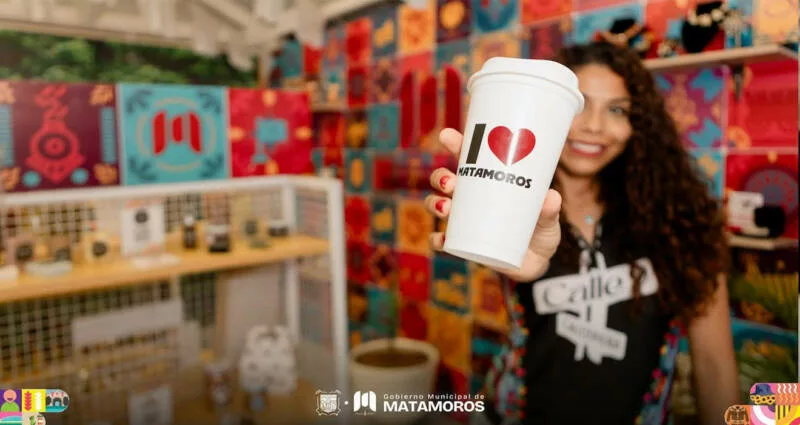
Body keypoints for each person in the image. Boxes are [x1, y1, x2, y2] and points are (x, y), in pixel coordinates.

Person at [424, 41, 739, 425]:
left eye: (617, 109)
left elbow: (715, 365)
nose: (594, 126)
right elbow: (527, 265)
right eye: (578, 106)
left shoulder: (682, 219)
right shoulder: (514, 203)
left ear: (639, 125)